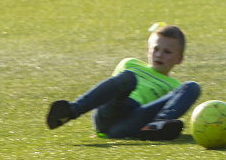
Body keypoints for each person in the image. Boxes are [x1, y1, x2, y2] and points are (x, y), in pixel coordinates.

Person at [47, 24, 200, 141]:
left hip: (132, 121)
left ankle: (157, 125)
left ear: (179, 59)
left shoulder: (175, 87)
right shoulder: (131, 63)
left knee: (192, 87)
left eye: (167, 52)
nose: (159, 55)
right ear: (148, 49)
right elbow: (110, 91)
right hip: (109, 113)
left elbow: (167, 105)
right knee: (129, 77)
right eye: (156, 49)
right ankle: (71, 111)